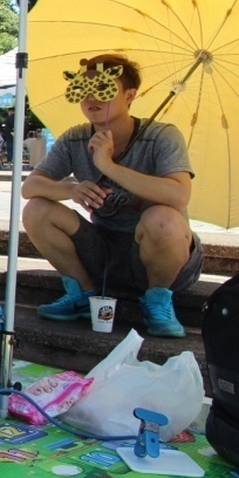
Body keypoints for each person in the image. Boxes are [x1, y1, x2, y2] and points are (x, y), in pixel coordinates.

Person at [21, 54, 201, 338]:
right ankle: (82, 293)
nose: (92, 98)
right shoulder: (75, 139)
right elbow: (30, 187)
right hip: (105, 250)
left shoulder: (161, 137)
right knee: (36, 210)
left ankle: (158, 301)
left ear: (129, 95)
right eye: (83, 89)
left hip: (163, 254)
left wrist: (108, 166)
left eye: (104, 89)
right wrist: (71, 189)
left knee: (163, 217)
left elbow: (178, 196)